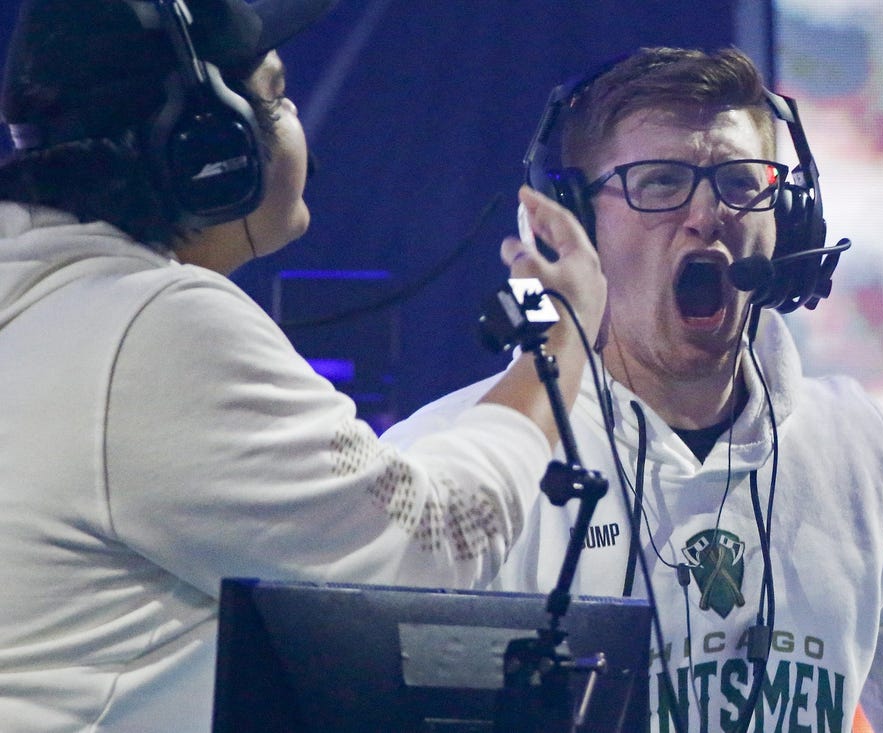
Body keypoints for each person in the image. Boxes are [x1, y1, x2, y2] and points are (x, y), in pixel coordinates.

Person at [383, 47, 883, 732]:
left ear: (788, 217)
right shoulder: (457, 466)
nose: (708, 214)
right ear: (575, 229)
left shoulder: (862, 453)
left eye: (741, 183)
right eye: (659, 183)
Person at [0, 0, 604, 730]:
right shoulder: (151, 328)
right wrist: (560, 328)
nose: (297, 125)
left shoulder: (43, 300)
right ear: (210, 147)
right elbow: (437, 541)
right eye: (278, 94)